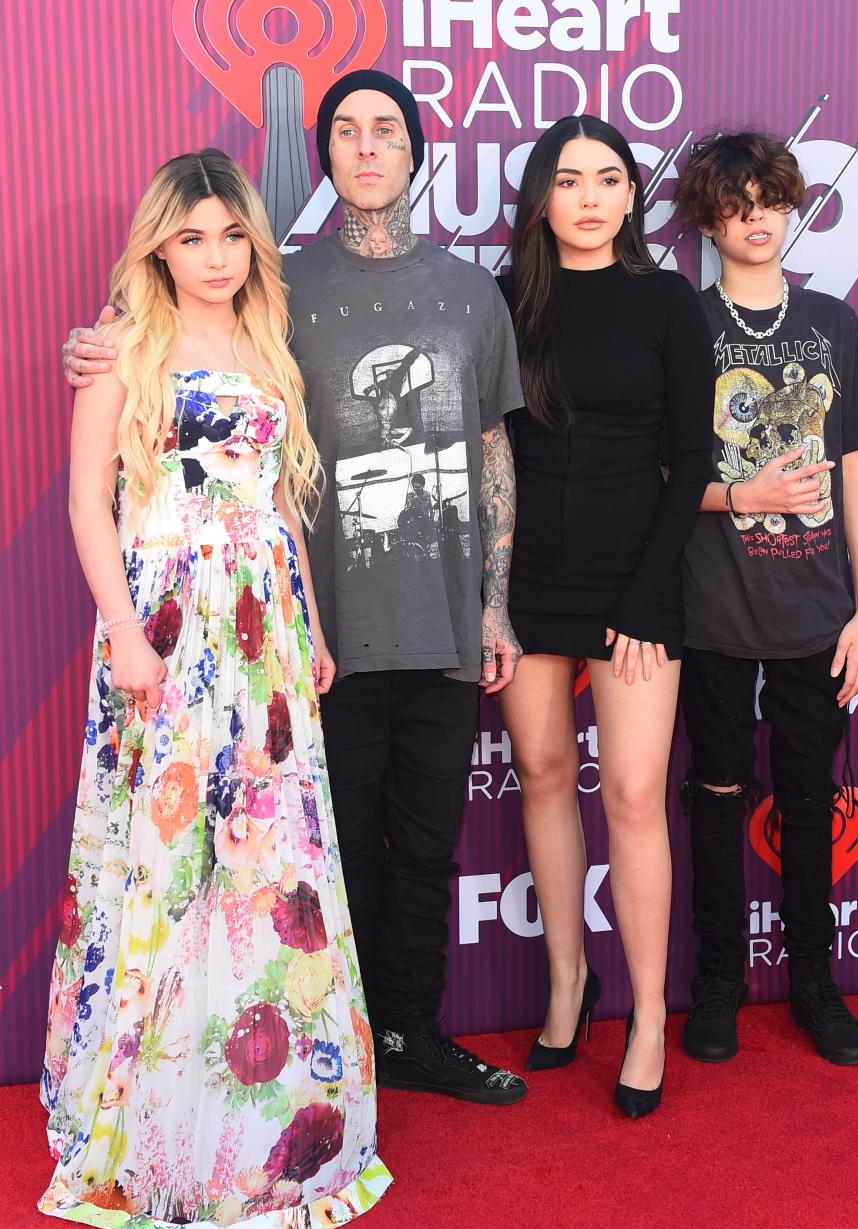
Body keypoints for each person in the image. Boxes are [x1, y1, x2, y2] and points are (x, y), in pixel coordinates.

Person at [64, 71, 528, 1106]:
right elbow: (101, 473)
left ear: (418, 152)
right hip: (231, 631)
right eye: (348, 133)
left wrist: (491, 605)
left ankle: (389, 1040)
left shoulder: (434, 298)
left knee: (362, 850)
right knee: (247, 848)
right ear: (322, 156)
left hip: (339, 625)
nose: (369, 149)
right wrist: (91, 343)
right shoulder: (254, 302)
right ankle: (221, 1067)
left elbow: (487, 451)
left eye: (388, 132)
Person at [42, 149, 391, 1229]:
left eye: (230, 235)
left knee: (266, 855)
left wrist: (315, 629)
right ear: (158, 242)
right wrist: (124, 634)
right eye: (190, 237)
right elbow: (88, 505)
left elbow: (280, 501)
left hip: (268, 632)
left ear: (253, 242)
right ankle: (158, 1115)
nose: (212, 256)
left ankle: (266, 1108)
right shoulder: (120, 344)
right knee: (173, 843)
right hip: (167, 618)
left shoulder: (263, 339)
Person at [496, 116, 714, 1117]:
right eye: (571, 178)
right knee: (543, 773)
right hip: (529, 576)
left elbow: (695, 462)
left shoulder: (667, 301)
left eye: (610, 178)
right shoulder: (503, 304)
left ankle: (651, 1016)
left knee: (632, 794)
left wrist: (641, 594)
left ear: (632, 196)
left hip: (637, 580)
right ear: (542, 195)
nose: (590, 195)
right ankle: (566, 986)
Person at [672, 131, 858, 1066]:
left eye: (772, 199)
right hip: (713, 607)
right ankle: (719, 979)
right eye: (737, 202)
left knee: (809, 795)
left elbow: (854, 472)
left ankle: (814, 982)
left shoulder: (835, 322)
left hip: (816, 610)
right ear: (708, 219)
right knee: (719, 793)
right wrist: (741, 495)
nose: (758, 217)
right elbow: (665, 471)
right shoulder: (683, 326)